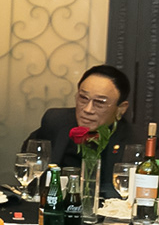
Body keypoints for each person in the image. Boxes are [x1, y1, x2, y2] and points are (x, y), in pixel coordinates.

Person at [23, 65, 138, 193]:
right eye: (83, 98)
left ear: (121, 109)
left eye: (100, 102)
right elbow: (29, 164)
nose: (88, 109)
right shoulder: (56, 121)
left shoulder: (133, 141)